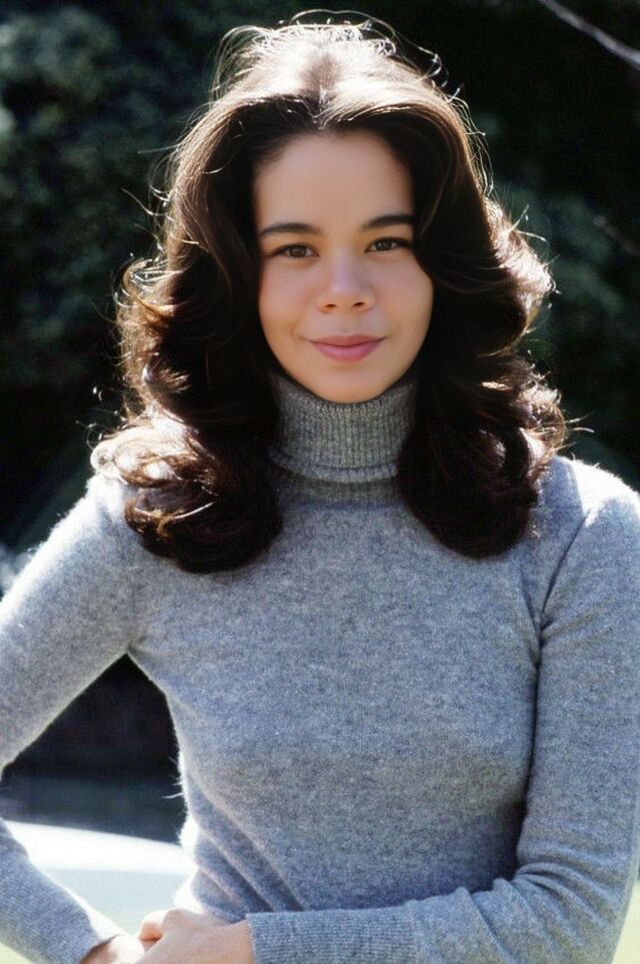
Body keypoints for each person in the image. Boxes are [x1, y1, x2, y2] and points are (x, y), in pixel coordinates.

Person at [1, 11, 639, 964]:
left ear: (444, 264)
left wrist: (251, 953)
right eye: (294, 248)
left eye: (387, 242)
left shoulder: (587, 535)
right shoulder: (155, 521)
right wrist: (95, 954)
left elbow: (571, 920)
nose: (344, 287)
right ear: (237, 274)